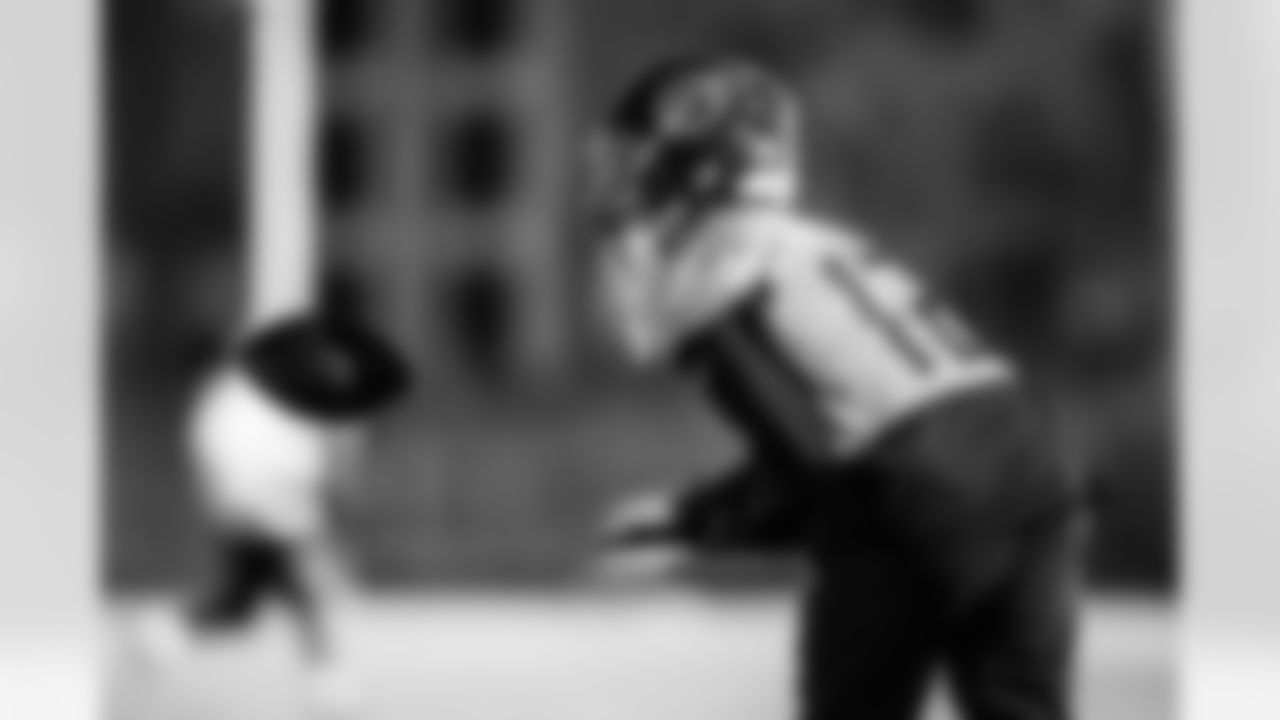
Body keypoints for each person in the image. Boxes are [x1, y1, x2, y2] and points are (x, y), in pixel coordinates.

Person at [590, 55, 1090, 720]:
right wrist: (703, 520)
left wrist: (694, 521)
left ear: (704, 168)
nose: (631, 190)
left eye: (644, 165)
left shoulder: (719, 272)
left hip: (917, 499)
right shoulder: (818, 243)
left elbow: (818, 465)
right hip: (1034, 480)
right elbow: (870, 436)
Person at [132, 310, 410, 716]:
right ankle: (328, 680)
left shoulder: (235, 396)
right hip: (270, 506)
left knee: (240, 602)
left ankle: (161, 635)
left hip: (256, 506)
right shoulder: (245, 397)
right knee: (304, 594)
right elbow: (278, 452)